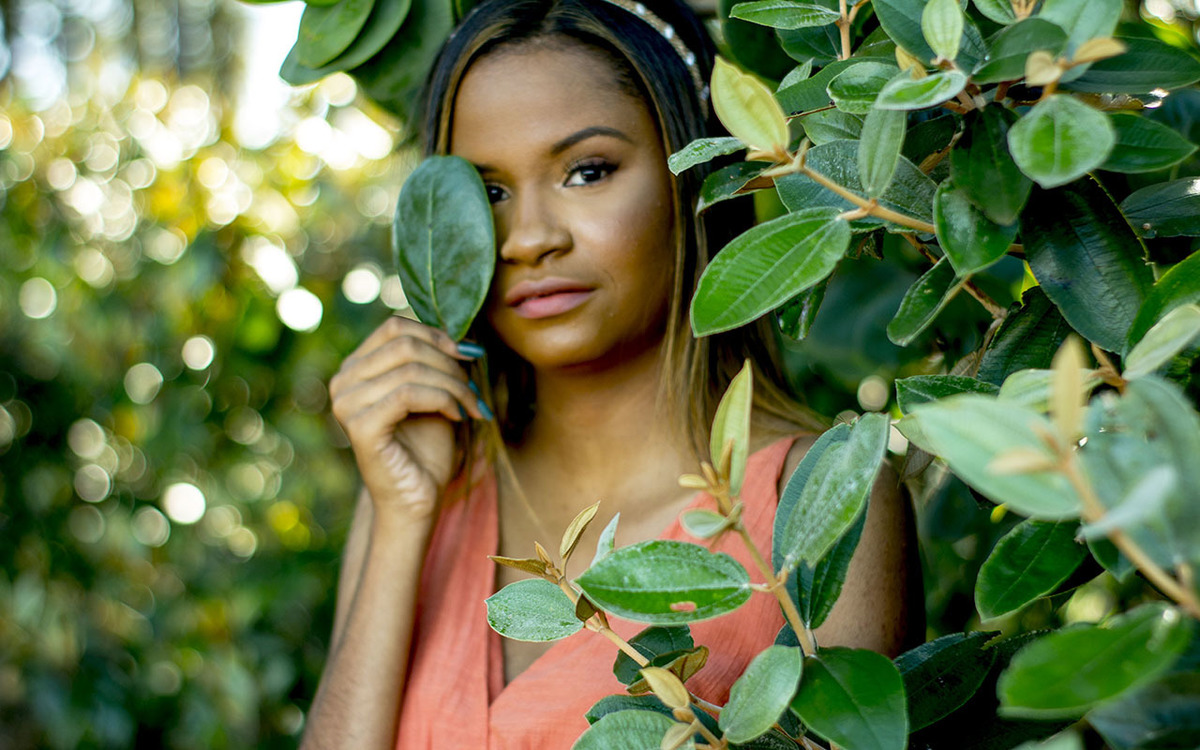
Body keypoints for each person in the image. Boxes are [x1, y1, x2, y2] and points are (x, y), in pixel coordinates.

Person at [302, 0, 918, 747]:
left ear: (688, 177)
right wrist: (402, 517)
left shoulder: (821, 500)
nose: (528, 238)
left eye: (587, 172)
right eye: (489, 192)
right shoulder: (424, 490)